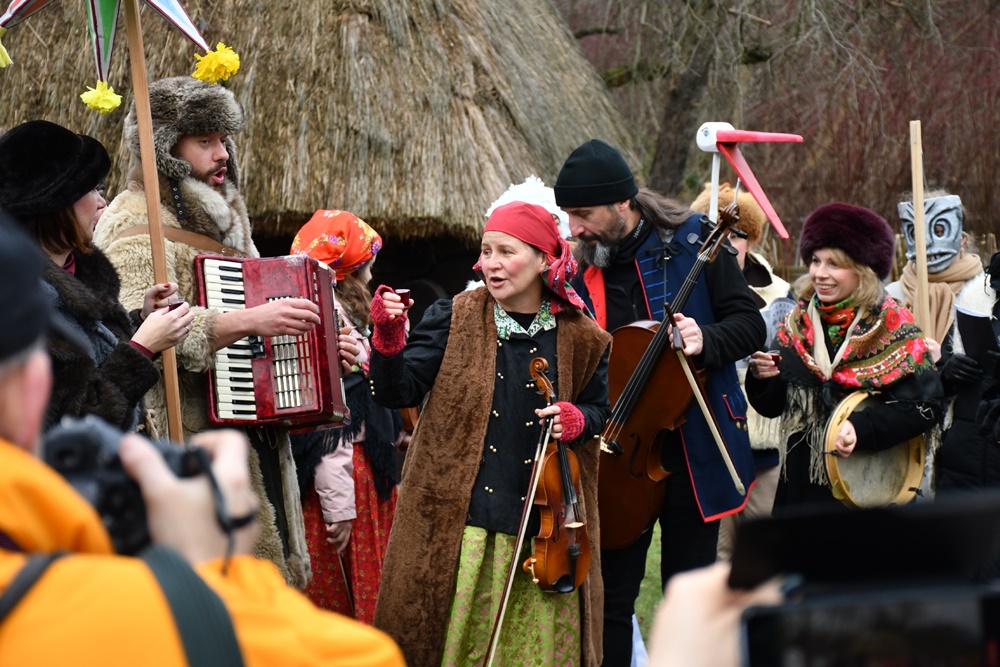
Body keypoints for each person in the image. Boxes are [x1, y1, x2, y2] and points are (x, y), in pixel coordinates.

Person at [0, 211, 404, 666]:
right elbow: (369, 656)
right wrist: (210, 564)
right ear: (32, 383)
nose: (100, 200)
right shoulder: (111, 603)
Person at [93, 76, 318, 587]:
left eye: (224, 139)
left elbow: (268, 305)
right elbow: (135, 331)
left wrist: (320, 335)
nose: (222, 153)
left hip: (252, 431)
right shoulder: (133, 219)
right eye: (205, 141)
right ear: (166, 150)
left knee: (269, 594)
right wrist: (245, 321)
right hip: (183, 436)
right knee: (218, 599)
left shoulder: (230, 217)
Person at [369, 201, 613, 666]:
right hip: (464, 529)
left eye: (506, 251)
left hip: (549, 535)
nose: (491, 264)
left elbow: (600, 411)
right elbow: (394, 390)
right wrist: (388, 336)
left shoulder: (583, 336)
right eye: (486, 251)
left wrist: (579, 418)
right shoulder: (453, 317)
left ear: (545, 258)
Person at [553, 139, 764, 667]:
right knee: (612, 600)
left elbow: (749, 324)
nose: (575, 228)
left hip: (696, 449)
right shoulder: (581, 270)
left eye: (584, 215)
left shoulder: (694, 242)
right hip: (620, 456)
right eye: (569, 216)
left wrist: (704, 340)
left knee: (690, 598)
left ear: (622, 203)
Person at [746, 203, 945, 511]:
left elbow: (925, 407)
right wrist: (762, 379)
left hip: (865, 495)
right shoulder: (796, 324)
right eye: (815, 261)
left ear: (862, 270)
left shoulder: (893, 326)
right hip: (801, 492)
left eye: (833, 264)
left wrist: (861, 429)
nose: (819, 273)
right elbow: (773, 407)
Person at [0, 120, 193, 434]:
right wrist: (140, 350)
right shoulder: (19, 304)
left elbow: (97, 355)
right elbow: (66, 428)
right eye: (92, 190)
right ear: (58, 206)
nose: (103, 202)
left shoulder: (83, 275)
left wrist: (143, 321)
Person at [288, 209, 401, 623]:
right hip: (345, 483)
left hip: (349, 477)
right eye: (368, 263)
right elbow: (330, 425)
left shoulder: (335, 311)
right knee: (347, 601)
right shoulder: (334, 322)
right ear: (353, 266)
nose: (373, 274)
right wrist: (339, 508)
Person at [690, 181, 793, 561]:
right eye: (714, 231)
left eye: (737, 234)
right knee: (714, 560)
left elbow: (788, 367)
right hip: (710, 444)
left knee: (761, 557)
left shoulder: (780, 294)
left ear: (752, 239)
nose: (726, 242)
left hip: (763, 447)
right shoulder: (690, 287)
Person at [887, 193, 998, 494]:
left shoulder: (986, 297)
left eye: (938, 230)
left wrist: (947, 366)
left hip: (962, 454)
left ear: (961, 237)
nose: (925, 244)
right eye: (916, 232)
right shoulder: (891, 297)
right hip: (900, 452)